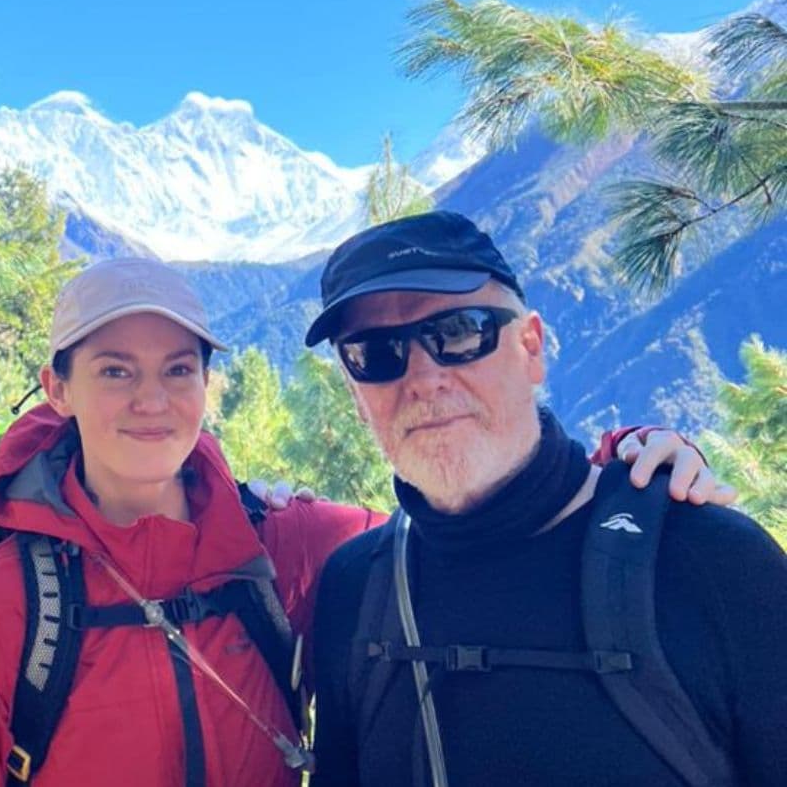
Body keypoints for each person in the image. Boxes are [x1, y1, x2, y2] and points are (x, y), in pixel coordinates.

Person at [0, 257, 725, 787]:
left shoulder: (279, 543)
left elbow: (475, 522)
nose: (151, 400)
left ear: (206, 385)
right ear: (58, 388)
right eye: (115, 370)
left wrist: (624, 470)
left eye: (178, 369)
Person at [305, 211, 787, 786]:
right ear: (355, 392)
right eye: (375, 353)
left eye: (460, 331)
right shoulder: (353, 589)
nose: (423, 377)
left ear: (531, 347)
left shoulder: (709, 562)